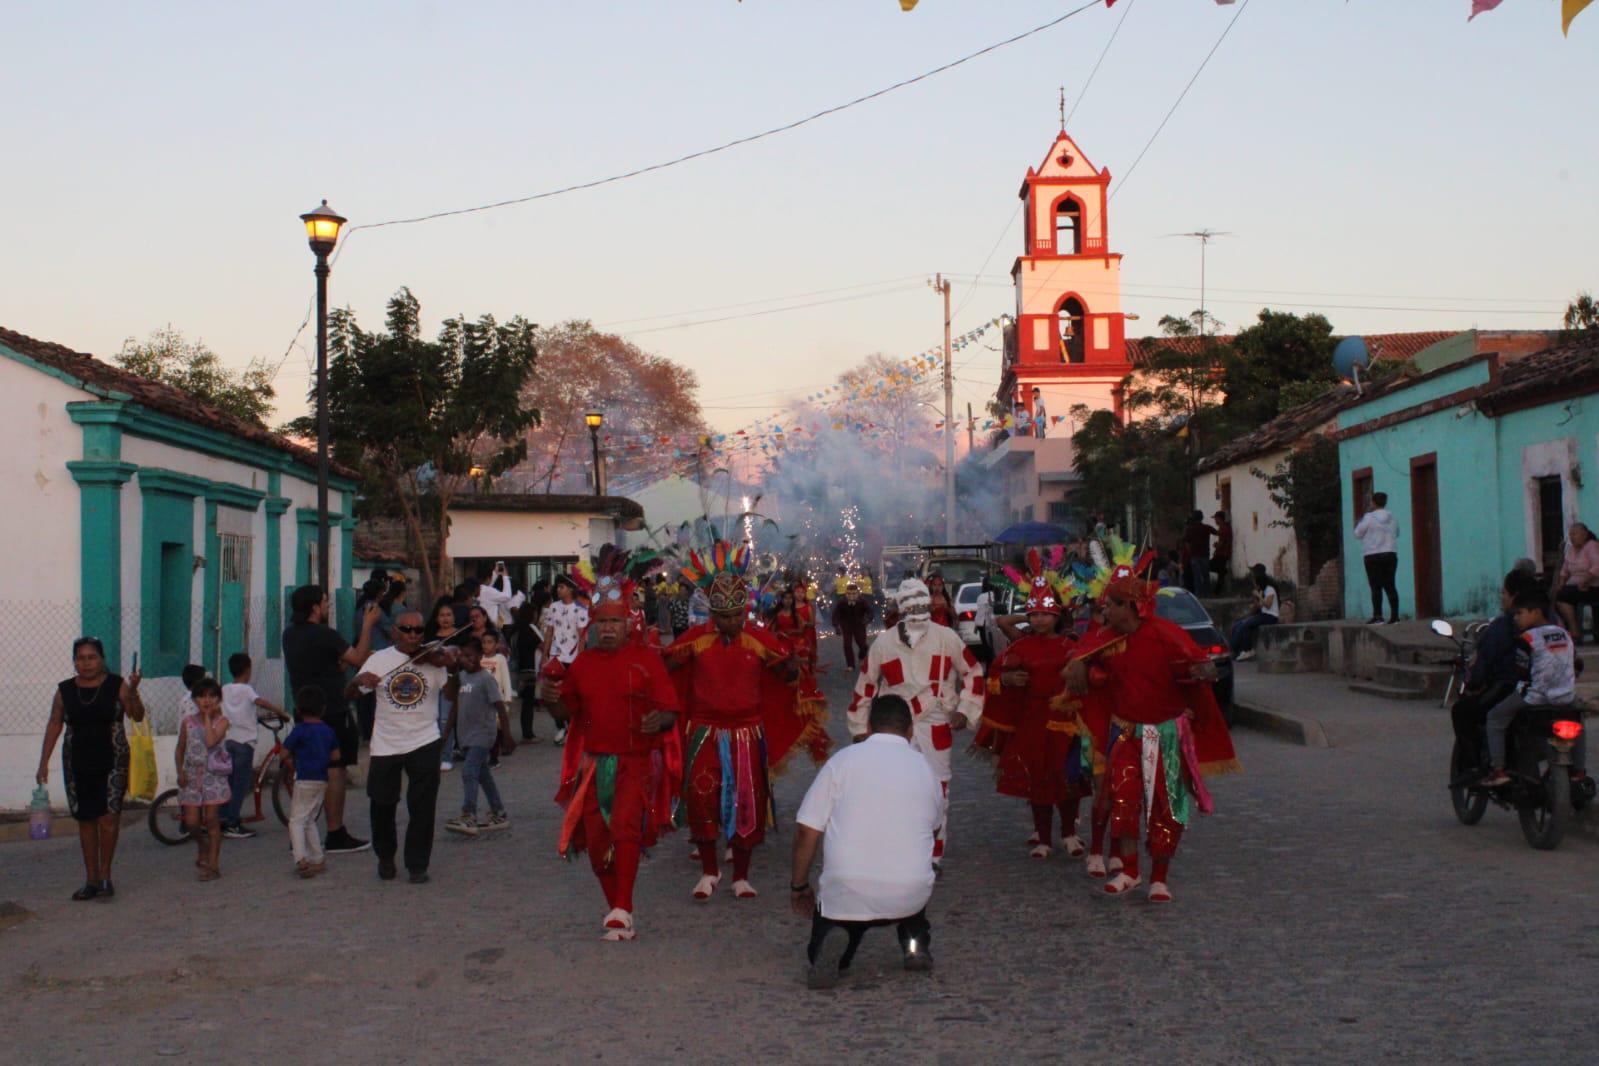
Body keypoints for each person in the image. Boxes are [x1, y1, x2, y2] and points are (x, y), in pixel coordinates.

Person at [1065, 564, 1240, 902]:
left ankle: (1159, 878)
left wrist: (1202, 672)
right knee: (1124, 800)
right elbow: (1082, 655)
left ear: (1129, 606)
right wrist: (1079, 665)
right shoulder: (1107, 639)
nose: (1105, 611)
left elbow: (1197, 669)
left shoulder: (1166, 634)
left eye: (1111, 605)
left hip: (1165, 735)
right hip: (1126, 733)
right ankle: (1130, 870)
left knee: (1165, 807)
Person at [666, 544, 829, 901]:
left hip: (747, 734)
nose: (732, 623)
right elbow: (665, 669)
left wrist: (792, 668)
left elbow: (785, 678)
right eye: (725, 617)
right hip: (704, 733)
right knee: (702, 797)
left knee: (747, 801)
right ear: (713, 613)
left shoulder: (758, 639)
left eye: (738, 615)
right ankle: (709, 871)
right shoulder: (694, 640)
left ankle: (741, 875)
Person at [551, 575, 682, 940]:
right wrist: (549, 697)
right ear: (593, 625)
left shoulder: (647, 660)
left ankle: (623, 908)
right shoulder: (582, 665)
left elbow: (671, 709)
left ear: (628, 624)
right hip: (594, 764)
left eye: (614, 622)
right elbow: (565, 714)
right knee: (595, 842)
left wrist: (661, 720)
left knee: (624, 827)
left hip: (635, 761)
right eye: (602, 622)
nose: (608, 628)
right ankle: (618, 909)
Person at [792, 695, 941, 989]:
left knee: (841, 915)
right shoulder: (925, 769)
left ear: (869, 728)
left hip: (848, 887)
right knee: (910, 879)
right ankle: (915, 946)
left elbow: (807, 831)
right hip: (908, 891)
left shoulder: (842, 762)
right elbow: (932, 831)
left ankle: (837, 948)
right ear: (910, 731)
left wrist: (798, 886)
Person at [848, 579, 985, 867]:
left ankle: (934, 854)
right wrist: (860, 729)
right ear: (901, 610)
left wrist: (966, 709)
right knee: (894, 787)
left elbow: (973, 672)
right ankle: (900, 849)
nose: (919, 613)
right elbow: (865, 686)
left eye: (923, 607)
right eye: (913, 607)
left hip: (935, 722)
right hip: (893, 726)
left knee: (938, 788)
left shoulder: (947, 638)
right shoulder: (884, 644)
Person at [979, 553, 1085, 859]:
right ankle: (1043, 838)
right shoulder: (1020, 645)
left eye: (1045, 614)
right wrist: (1008, 678)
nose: (1039, 619)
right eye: (1034, 613)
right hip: (1032, 721)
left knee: (1066, 777)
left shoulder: (1071, 645)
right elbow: (996, 673)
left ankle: (1069, 833)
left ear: (1057, 616)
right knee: (1037, 778)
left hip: (1064, 720)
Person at [352, 608, 458, 883]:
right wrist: (358, 682)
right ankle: (385, 856)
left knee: (423, 807)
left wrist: (451, 666)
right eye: (406, 629)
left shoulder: (433, 659)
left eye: (418, 630)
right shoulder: (379, 659)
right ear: (394, 631)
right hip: (386, 743)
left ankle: (417, 864)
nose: (413, 635)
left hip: (424, 740)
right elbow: (350, 693)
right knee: (382, 805)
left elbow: (451, 694)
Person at [36, 637, 146, 901]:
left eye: (91, 657)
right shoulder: (64, 691)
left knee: (108, 817)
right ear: (75, 661)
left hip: (113, 759)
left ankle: (106, 876)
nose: (86, 663)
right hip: (77, 761)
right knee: (85, 818)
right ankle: (91, 879)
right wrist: (43, 762)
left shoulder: (116, 684)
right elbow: (54, 724)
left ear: (101, 659)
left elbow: (137, 715)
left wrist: (132, 691)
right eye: (81, 658)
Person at [282, 585, 382, 854]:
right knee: (334, 769)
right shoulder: (326, 635)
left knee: (309, 770)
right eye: (325, 602)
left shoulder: (289, 635)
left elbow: (322, 662)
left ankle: (302, 827)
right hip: (333, 709)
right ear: (315, 607)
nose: (327, 606)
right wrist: (367, 624)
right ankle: (335, 831)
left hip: (304, 709)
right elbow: (358, 658)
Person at [1481, 588, 1580, 787]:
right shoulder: (1564, 634)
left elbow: (1521, 672)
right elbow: (1577, 664)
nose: (1516, 618)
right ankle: (1579, 771)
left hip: (1536, 697)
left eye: (1520, 613)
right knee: (1579, 718)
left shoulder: (1526, 639)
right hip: (1566, 696)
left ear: (1535, 612)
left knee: (1495, 717)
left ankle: (1498, 769)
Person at [1451, 569, 1540, 772]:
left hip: (1512, 689)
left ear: (1514, 596)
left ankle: (1478, 766)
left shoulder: (1503, 626)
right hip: (1555, 691)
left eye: (1504, 593)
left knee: (1463, 711)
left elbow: (1483, 664)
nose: (1502, 598)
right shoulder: (1552, 622)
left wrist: (1474, 682)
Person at [442, 637, 513, 836]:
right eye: (462, 656)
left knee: (469, 771)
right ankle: (498, 811)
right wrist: (446, 733)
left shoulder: (486, 679)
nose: (466, 660)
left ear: (480, 656)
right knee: (483, 775)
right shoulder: (462, 678)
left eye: (470, 656)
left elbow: (500, 707)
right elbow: (454, 707)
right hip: (466, 735)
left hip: (483, 735)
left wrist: (506, 735)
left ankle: (468, 814)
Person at [219, 652, 285, 839]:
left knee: (229, 782)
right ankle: (233, 823)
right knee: (240, 784)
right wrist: (281, 712)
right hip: (244, 743)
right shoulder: (247, 689)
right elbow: (260, 702)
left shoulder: (225, 689)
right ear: (248, 670)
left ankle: (223, 817)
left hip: (228, 740)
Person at [176, 677, 231, 882]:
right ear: (195, 699)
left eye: (211, 696)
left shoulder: (222, 721)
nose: (206, 700)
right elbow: (180, 747)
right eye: (202, 696)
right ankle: (202, 845)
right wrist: (180, 771)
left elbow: (210, 741)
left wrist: (208, 718)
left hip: (213, 777)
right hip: (191, 776)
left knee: (211, 819)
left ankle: (214, 864)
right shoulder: (187, 722)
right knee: (191, 822)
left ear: (218, 699)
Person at [282, 687, 340, 878]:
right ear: (323, 709)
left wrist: (290, 760)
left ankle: (301, 859)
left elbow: (284, 752)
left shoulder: (300, 731)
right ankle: (317, 858)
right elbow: (336, 755)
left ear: (298, 710)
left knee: (296, 820)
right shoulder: (328, 731)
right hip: (322, 780)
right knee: (309, 819)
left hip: (304, 778)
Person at [541, 577, 590, 746]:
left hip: (573, 659)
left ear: (570, 589)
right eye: (557, 587)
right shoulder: (553, 607)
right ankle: (561, 726)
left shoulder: (580, 609)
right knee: (554, 695)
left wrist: (581, 660)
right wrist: (544, 656)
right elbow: (549, 632)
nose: (558, 590)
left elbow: (582, 636)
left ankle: (574, 727)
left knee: (571, 694)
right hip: (556, 658)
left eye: (561, 587)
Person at [1354, 492, 1401, 624]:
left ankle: (1378, 616)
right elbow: (1397, 533)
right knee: (1390, 585)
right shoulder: (1392, 517)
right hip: (1390, 554)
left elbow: (1357, 534)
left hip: (1372, 555)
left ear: (1373, 503)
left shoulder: (1368, 518)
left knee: (1375, 586)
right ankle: (1395, 617)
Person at [1554, 522, 1599, 644]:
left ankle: (1575, 631)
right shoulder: (1572, 550)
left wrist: (1585, 581)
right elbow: (1564, 570)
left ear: (1584, 534)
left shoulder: (1592, 546)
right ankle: (1569, 630)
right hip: (1575, 587)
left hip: (1592, 587)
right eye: (1570, 535)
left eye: (1574, 534)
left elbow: (1596, 567)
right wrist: (1561, 583)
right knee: (1557, 595)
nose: (1572, 537)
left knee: (1562, 595)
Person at [1229, 565, 1280, 662]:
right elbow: (1261, 606)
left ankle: (1241, 649)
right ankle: (1241, 650)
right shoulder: (1263, 590)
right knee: (1239, 624)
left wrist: (1259, 596)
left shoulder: (1270, 589)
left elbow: (1268, 605)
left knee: (1245, 624)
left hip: (1271, 616)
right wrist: (1255, 598)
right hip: (1264, 614)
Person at [830, 582, 875, 670]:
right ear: (846, 594)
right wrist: (836, 626)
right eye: (849, 594)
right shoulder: (842, 602)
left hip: (859, 626)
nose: (851, 596)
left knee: (863, 645)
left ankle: (862, 657)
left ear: (857, 593)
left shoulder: (862, 602)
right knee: (847, 645)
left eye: (854, 593)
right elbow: (835, 614)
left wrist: (866, 621)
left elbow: (870, 612)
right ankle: (850, 665)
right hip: (846, 626)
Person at [1181, 511, 1219, 597]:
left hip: (1194, 555)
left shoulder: (1190, 529)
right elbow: (1217, 533)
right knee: (1206, 575)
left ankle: (1199, 594)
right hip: (1205, 554)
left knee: (1197, 576)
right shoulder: (1206, 528)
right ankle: (1207, 593)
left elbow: (1186, 541)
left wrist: (1190, 551)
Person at [1210, 511, 1233, 595]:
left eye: (1215, 519)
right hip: (1223, 554)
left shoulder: (1223, 527)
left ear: (1219, 518)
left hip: (1222, 554)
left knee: (1209, 566)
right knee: (1220, 573)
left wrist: (1217, 546)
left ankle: (1216, 592)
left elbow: (1223, 541)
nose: (1215, 521)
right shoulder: (1225, 527)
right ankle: (1216, 592)